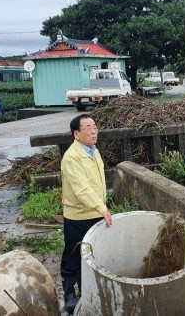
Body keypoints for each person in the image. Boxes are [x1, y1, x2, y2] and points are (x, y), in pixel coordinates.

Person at [60, 114, 113, 314]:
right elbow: (82, 189)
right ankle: (69, 295)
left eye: (95, 127)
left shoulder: (94, 151)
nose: (94, 131)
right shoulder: (72, 157)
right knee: (73, 255)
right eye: (88, 128)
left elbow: (97, 183)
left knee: (90, 254)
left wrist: (101, 206)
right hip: (78, 216)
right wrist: (102, 208)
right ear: (77, 134)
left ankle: (86, 290)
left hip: (95, 212)